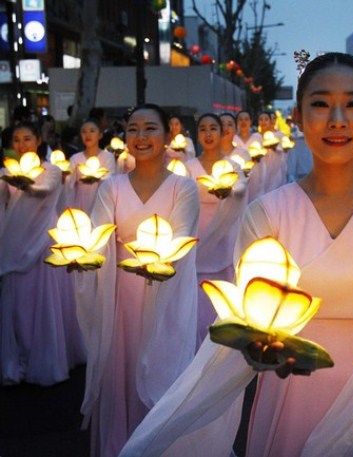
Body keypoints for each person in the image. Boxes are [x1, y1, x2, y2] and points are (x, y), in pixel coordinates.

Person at [120, 53, 353, 457]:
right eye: (320, 103)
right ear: (297, 115)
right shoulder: (268, 213)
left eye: (352, 104)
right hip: (290, 391)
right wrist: (253, 348)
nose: (337, 119)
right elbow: (251, 317)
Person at [74, 104, 199, 457]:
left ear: (166, 137)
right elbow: (98, 237)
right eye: (133, 129)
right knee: (122, 371)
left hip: (165, 295)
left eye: (150, 129)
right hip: (119, 299)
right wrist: (84, 258)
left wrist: (158, 263)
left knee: (161, 370)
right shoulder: (111, 187)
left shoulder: (183, 188)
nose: (141, 137)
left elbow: (182, 237)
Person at [0, 122, 85, 386]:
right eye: (17, 140)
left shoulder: (50, 169)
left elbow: (44, 190)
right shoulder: (5, 172)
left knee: (42, 301)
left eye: (27, 138)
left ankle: (45, 358)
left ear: (38, 140)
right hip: (15, 243)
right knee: (18, 305)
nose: (22, 144)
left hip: (41, 243)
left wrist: (25, 185)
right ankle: (20, 359)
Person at [184, 113, 248, 344]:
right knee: (197, 290)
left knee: (221, 287)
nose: (208, 134)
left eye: (213, 128)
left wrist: (230, 192)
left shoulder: (232, 165)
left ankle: (221, 340)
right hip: (197, 232)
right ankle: (196, 341)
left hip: (223, 235)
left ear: (221, 133)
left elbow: (241, 190)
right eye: (203, 129)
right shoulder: (189, 166)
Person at [66, 118, 117, 213]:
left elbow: (110, 178)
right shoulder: (75, 158)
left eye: (92, 131)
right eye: (84, 132)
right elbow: (69, 183)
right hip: (80, 202)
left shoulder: (107, 157)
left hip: (100, 201)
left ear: (100, 135)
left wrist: (97, 178)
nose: (88, 135)